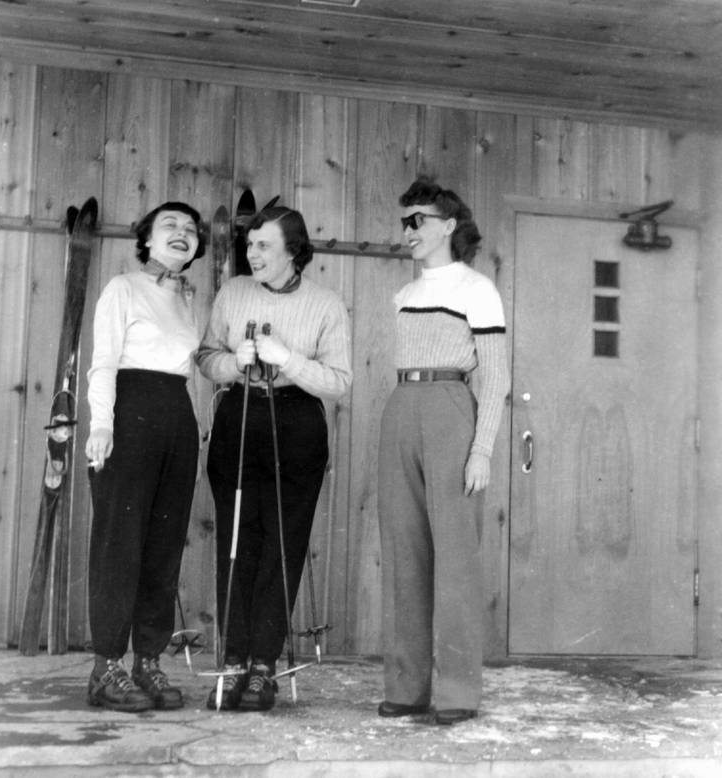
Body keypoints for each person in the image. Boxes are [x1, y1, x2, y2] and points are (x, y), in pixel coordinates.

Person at [196, 205, 352, 712]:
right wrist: (229, 362)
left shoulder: (326, 304)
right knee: (238, 541)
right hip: (240, 416)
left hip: (297, 421)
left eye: (264, 245)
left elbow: (340, 381)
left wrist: (287, 359)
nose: (252, 253)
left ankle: (263, 666)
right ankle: (234, 662)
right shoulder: (233, 293)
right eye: (250, 245)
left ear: (294, 249)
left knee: (282, 545)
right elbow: (205, 355)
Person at [377, 178, 510, 726]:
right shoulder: (403, 295)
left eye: (419, 220)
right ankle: (406, 688)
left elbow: (496, 376)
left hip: (453, 409)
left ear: (448, 226)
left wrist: (481, 450)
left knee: (454, 556)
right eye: (404, 220)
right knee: (404, 553)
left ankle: (456, 692)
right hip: (401, 408)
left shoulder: (477, 289)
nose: (409, 230)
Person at [84, 201, 206, 712]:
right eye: (170, 226)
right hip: (127, 417)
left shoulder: (191, 301)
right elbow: (104, 361)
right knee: (121, 544)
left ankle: (148, 663)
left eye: (191, 230)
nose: (183, 233)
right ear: (147, 240)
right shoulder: (122, 289)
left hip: (177, 419)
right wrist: (102, 425)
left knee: (164, 546)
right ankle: (107, 667)